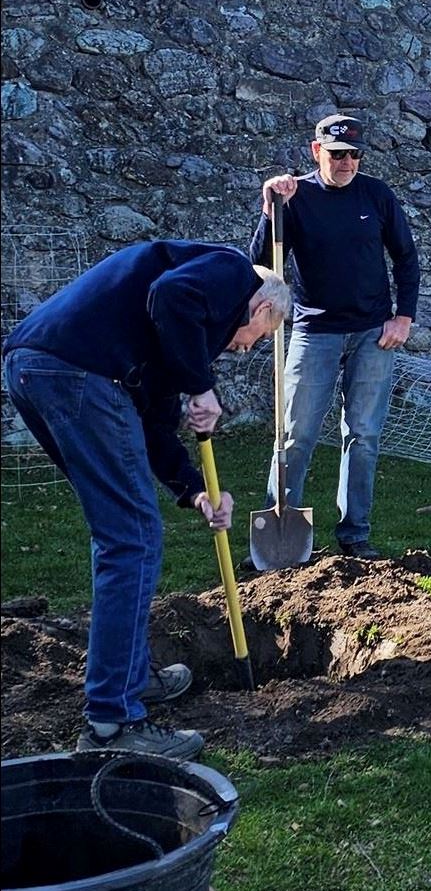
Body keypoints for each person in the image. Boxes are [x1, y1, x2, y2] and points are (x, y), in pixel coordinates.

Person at [2, 242, 289, 759]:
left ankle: (129, 678)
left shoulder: (172, 339)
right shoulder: (232, 272)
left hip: (38, 366)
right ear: (263, 307)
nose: (246, 348)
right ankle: (111, 723)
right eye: (260, 337)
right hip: (76, 370)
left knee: (121, 534)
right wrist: (201, 387)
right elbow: (171, 294)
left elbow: (155, 424)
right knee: (131, 540)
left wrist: (196, 491)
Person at [252, 112, 420, 561]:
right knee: (295, 434)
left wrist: (403, 317)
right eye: (337, 154)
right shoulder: (295, 197)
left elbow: (406, 258)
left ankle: (355, 535)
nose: (346, 162)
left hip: (372, 334)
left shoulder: (377, 195)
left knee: (363, 434)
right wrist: (270, 208)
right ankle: (279, 531)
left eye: (354, 155)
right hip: (314, 332)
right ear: (316, 151)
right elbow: (261, 263)